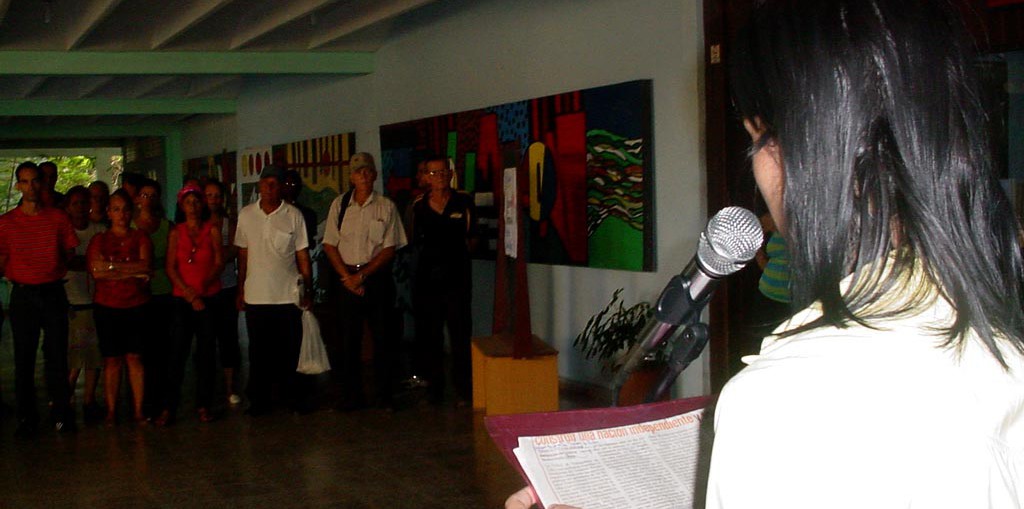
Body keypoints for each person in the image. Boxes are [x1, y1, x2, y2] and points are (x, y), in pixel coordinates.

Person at [509, 1, 1024, 507]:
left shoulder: (789, 401)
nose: (760, 170)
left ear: (819, 150)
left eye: (761, 137)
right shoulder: (995, 328)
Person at [0, 162, 79, 437]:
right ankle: (27, 418)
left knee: (57, 357)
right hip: (23, 294)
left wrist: (50, 267)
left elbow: (69, 252)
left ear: (42, 184)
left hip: (53, 292)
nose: (31, 186)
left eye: (35, 181)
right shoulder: (6, 223)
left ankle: (61, 414)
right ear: (18, 185)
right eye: (25, 181)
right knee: (24, 358)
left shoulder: (58, 218)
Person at [323, 152, 407, 411]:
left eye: (368, 171)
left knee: (383, 338)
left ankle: (383, 396)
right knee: (349, 340)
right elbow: (329, 244)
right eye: (358, 171)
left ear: (374, 175)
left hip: (375, 278)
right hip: (346, 278)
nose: (363, 176)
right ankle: (351, 396)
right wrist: (346, 278)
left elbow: (389, 248)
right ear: (351, 177)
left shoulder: (385, 207)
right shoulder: (339, 205)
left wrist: (363, 275)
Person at [235, 165, 314, 416]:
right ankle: (260, 400)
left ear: (281, 187)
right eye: (265, 183)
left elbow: (303, 255)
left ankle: (294, 397)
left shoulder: (293, 215)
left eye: (274, 183)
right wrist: (241, 289)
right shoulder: (246, 215)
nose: (269, 188)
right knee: (259, 351)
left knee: (290, 349)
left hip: (287, 295)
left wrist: (308, 288)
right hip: (257, 295)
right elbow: (243, 254)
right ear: (258, 186)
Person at [410, 155, 477, 405]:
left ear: (450, 174)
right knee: (431, 336)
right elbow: (413, 241)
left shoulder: (464, 201)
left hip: (457, 280)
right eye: (433, 173)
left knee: (460, 336)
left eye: (442, 172)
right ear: (426, 177)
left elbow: (472, 238)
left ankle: (463, 391)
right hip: (428, 281)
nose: (439, 177)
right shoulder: (419, 206)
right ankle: (434, 390)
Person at [158, 185, 223, 425]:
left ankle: (204, 405)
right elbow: (170, 267)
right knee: (176, 353)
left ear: (202, 205)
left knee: (206, 354)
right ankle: (168, 407)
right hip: (182, 299)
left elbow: (219, 263)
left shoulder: (212, 230)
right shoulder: (176, 232)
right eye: (188, 202)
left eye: (197, 201)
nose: (193, 206)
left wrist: (202, 288)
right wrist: (188, 293)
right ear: (181, 206)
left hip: (208, 297)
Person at [88, 190, 152, 426]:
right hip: (107, 306)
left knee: (134, 358)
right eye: (116, 209)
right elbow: (96, 271)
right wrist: (129, 269)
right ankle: (112, 411)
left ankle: (138, 410)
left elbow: (145, 268)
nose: (121, 214)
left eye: (125, 209)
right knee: (112, 360)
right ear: (108, 212)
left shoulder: (141, 237)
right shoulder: (99, 240)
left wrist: (112, 268)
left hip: (137, 305)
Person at [64, 185, 106, 423]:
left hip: (96, 297)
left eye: (84, 202)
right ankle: (65, 399)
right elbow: (66, 261)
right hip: (72, 299)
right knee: (76, 354)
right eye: (75, 203)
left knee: (94, 354)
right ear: (68, 207)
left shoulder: (98, 230)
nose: (80, 208)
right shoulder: (63, 231)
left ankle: (89, 400)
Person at [133, 178, 174, 419]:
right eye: (144, 195)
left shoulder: (166, 227)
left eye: (152, 195)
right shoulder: (128, 225)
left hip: (163, 292)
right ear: (137, 199)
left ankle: (164, 403)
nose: (148, 199)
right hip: (136, 294)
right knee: (142, 353)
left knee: (163, 351)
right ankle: (144, 403)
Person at [205, 178, 242, 406]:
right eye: (209, 195)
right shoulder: (196, 225)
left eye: (217, 196)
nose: (213, 200)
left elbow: (233, 251)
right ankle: (208, 388)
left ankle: (230, 387)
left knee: (229, 339)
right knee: (206, 340)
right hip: (205, 289)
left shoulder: (230, 223)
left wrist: (216, 258)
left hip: (226, 286)